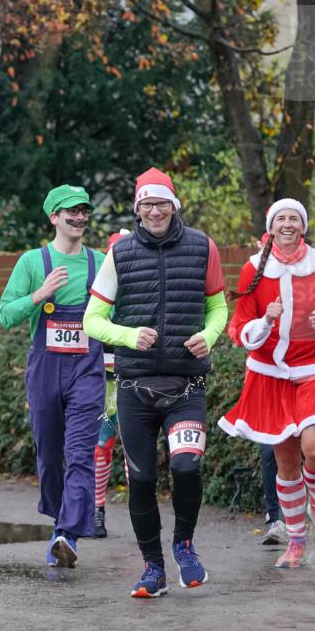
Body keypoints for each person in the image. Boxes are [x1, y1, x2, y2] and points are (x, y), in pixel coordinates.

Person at [83, 167, 228, 598]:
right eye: (147, 204)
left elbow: (219, 307)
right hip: (135, 388)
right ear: (138, 209)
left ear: (174, 205)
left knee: (186, 466)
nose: (155, 211)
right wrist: (129, 336)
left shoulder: (202, 246)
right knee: (142, 478)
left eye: (162, 203)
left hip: (186, 385)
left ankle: (184, 545)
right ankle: (153, 568)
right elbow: (92, 320)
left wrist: (209, 335)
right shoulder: (119, 253)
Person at [219, 199, 315, 569]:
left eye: (294, 218)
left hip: (314, 369)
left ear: (303, 226)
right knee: (285, 463)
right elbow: (239, 327)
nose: (287, 224)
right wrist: (265, 321)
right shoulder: (253, 269)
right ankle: (296, 541)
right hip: (270, 376)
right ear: (271, 226)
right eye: (280, 218)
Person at [0, 184, 106, 567]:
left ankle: (68, 533)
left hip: (87, 370)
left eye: (84, 211)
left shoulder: (101, 263)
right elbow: (5, 315)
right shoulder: (32, 262)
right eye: (71, 211)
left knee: (80, 453)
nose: (79, 218)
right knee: (49, 455)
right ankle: (60, 523)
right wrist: (39, 294)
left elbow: (119, 313)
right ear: (54, 217)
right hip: (44, 369)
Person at [92, 230, 131, 539]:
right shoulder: (98, 287)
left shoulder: (145, 284)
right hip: (104, 379)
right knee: (102, 444)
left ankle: (141, 511)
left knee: (135, 448)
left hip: (136, 376)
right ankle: (97, 510)